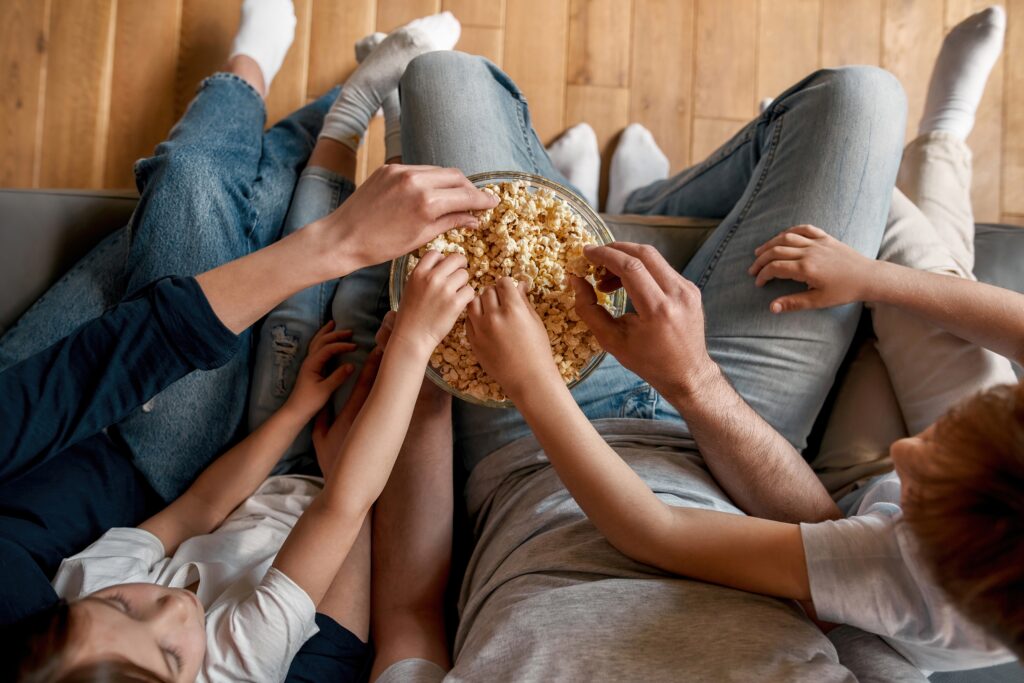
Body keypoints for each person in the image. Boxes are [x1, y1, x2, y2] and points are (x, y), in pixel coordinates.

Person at [332, 40, 918, 683]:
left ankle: (604, 203)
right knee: (860, 99)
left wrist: (430, 373)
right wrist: (696, 383)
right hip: (741, 427)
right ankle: (646, 202)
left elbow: (413, 610)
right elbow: (843, 564)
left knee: (444, 76)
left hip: (523, 429)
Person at [476, 5, 1020, 673]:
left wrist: (533, 382)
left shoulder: (910, 576)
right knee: (920, 271)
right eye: (939, 440)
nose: (901, 451)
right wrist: (873, 278)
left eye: (922, 486)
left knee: (902, 260)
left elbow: (661, 532)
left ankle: (631, 200)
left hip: (841, 512)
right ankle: (940, 136)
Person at [0, 1, 493, 640]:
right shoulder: (237, 654)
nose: (166, 608)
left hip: (138, 458)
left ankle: (306, 94)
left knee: (192, 185)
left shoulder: (93, 590)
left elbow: (192, 512)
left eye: (126, 607)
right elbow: (345, 512)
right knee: (347, 298)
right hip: (270, 467)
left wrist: (337, 244)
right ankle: (352, 109)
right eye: (172, 655)